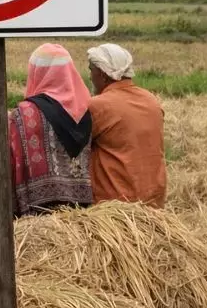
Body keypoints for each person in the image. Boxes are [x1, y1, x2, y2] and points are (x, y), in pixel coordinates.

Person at [9, 44, 94, 216]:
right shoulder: (87, 108)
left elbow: (11, 161)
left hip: (38, 214)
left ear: (35, 73)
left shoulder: (24, 113)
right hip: (82, 213)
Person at [87, 44, 167, 207]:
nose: (90, 77)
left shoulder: (99, 105)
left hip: (114, 206)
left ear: (102, 74)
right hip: (154, 200)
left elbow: (75, 145)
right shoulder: (151, 100)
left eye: (91, 70)